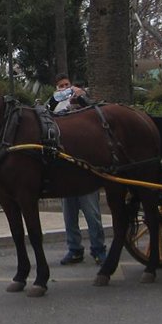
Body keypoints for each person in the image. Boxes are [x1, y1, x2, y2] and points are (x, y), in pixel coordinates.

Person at [50, 74, 105, 265]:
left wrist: (80, 97)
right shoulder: (56, 109)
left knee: (92, 214)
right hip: (65, 171)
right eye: (61, 87)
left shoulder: (84, 104)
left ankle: (98, 249)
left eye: (67, 85)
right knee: (69, 215)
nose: (65, 89)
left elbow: (95, 112)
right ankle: (74, 249)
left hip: (85, 171)